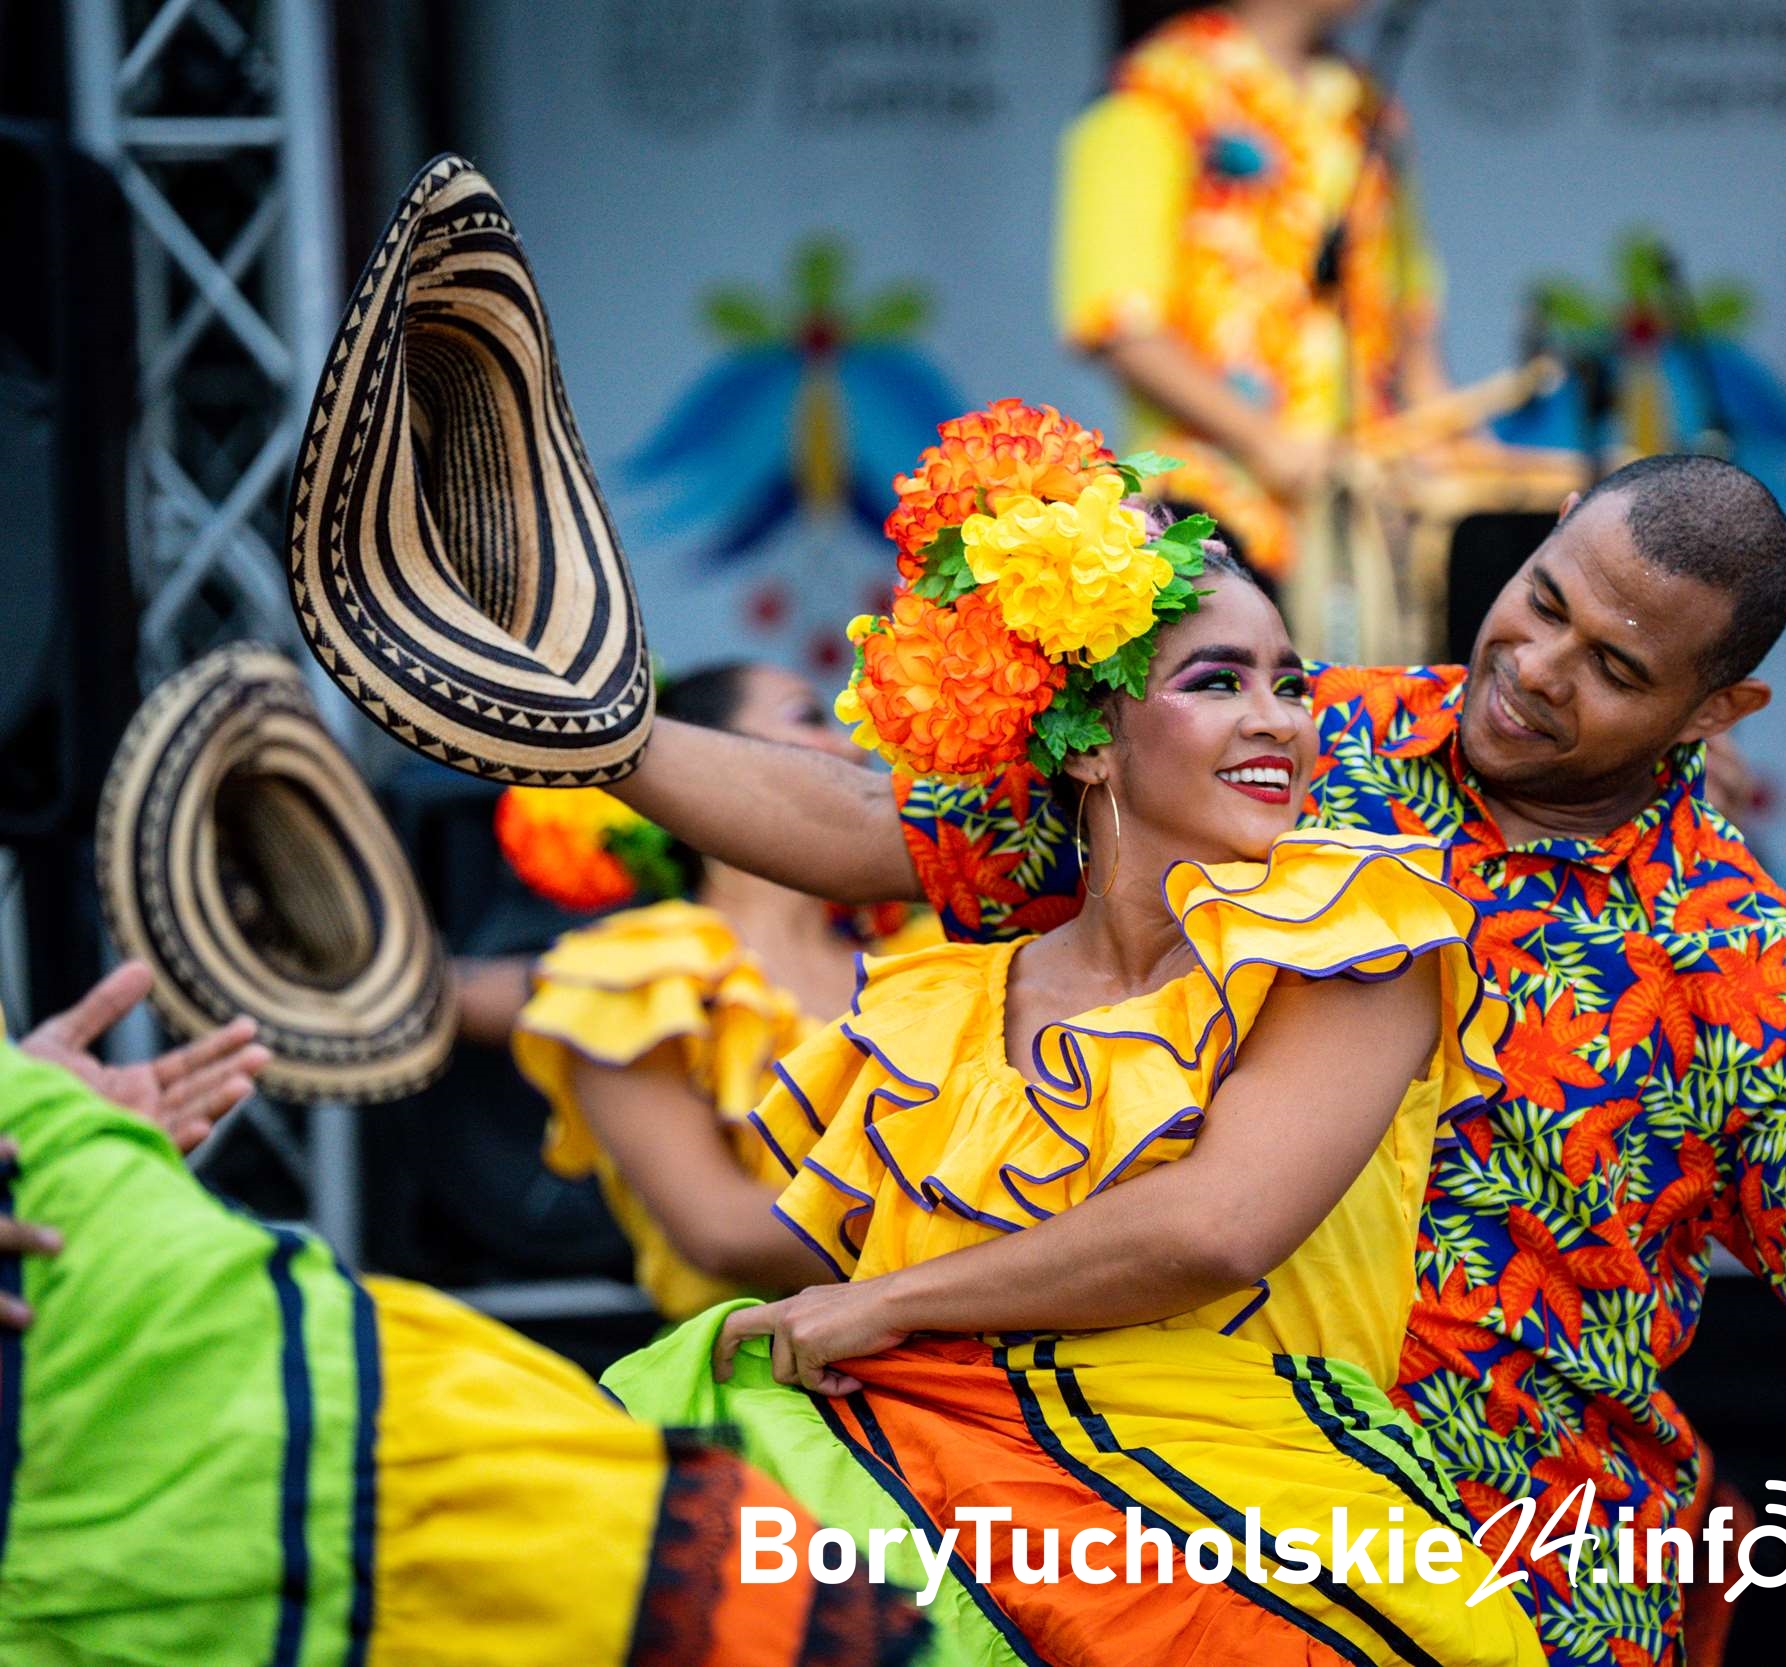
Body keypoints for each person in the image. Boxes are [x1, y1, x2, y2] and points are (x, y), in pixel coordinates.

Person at [607, 413, 1786, 1667]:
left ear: (1720, 708)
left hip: (1514, 1563)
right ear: (1545, 534)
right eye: (1544, 600)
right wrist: (604, 740)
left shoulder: (1746, 965)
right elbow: (897, 829)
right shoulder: (1309, 738)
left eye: (1615, 667)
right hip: (1159, 1519)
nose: (1540, 665)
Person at [600, 414, 1547, 1664]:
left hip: (1256, 1568)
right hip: (952, 1552)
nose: (1278, 719)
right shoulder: (940, 1009)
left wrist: (882, 1302)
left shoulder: (1358, 937)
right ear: (1091, 740)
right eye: (1217, 682)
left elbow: (1215, 1228)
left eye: (1291, 683)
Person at [0, 972, 927, 1665]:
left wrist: (49, 1113)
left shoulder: (927, 956)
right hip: (203, 1423)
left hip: (200, 1383)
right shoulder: (647, 969)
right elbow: (721, 1228)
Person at [505, 662, 936, 1323]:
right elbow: (723, 1232)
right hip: (770, 1365)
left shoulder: (934, 955)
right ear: (701, 764)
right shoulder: (632, 977)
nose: (851, 749)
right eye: (807, 718)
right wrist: (1014, 1232)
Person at [1057, 0, 1447, 577]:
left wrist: (1447, 440)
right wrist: (1267, 443)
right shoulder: (1153, 95)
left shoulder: (1366, 106)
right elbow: (1119, 322)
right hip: (1209, 515)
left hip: (1368, 514)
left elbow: (1407, 315)